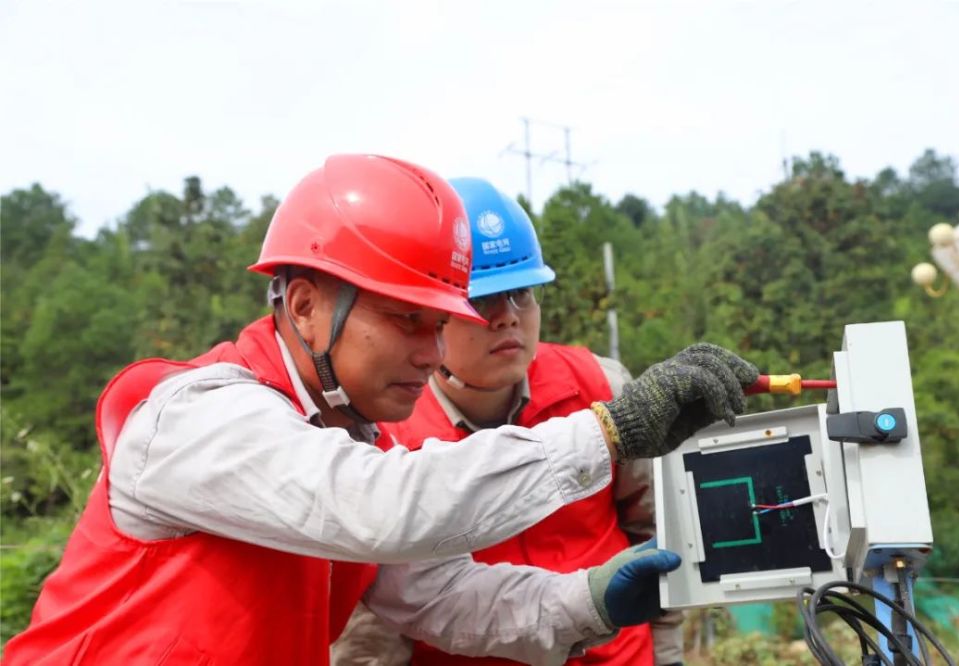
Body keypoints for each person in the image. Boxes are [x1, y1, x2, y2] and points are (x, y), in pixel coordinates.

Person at [3, 155, 758, 666]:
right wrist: (611, 431)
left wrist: (586, 598)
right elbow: (379, 509)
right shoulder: (200, 418)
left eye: (439, 325)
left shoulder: (349, 440)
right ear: (304, 306)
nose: (432, 354)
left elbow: (443, 595)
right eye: (406, 320)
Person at [330, 178, 685, 666]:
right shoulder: (386, 439)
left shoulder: (599, 387)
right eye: (481, 301)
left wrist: (667, 658)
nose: (508, 317)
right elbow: (374, 629)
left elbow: (658, 535)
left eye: (522, 294)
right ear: (429, 314)